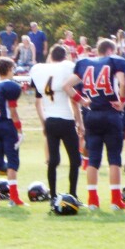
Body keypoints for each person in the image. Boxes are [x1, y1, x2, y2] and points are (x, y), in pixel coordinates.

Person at [72, 39, 125, 210]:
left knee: (93, 159)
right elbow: (123, 82)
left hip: (92, 114)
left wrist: (82, 101)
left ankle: (93, 200)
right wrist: (123, 101)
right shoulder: (114, 61)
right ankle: (115, 200)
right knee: (114, 158)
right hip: (111, 114)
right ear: (110, 50)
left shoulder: (84, 63)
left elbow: (66, 85)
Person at [31, 45, 87, 202]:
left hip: (50, 120)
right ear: (65, 56)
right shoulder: (66, 68)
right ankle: (72, 195)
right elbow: (72, 100)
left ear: (51, 55)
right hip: (66, 120)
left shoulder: (40, 70)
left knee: (53, 160)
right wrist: (80, 122)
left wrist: (44, 122)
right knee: (75, 159)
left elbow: (38, 102)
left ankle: (54, 195)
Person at [0, 57, 26, 206]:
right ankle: (13, 198)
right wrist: (20, 130)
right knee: (12, 162)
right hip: (7, 126)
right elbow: (13, 112)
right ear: (9, 69)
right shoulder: (11, 86)